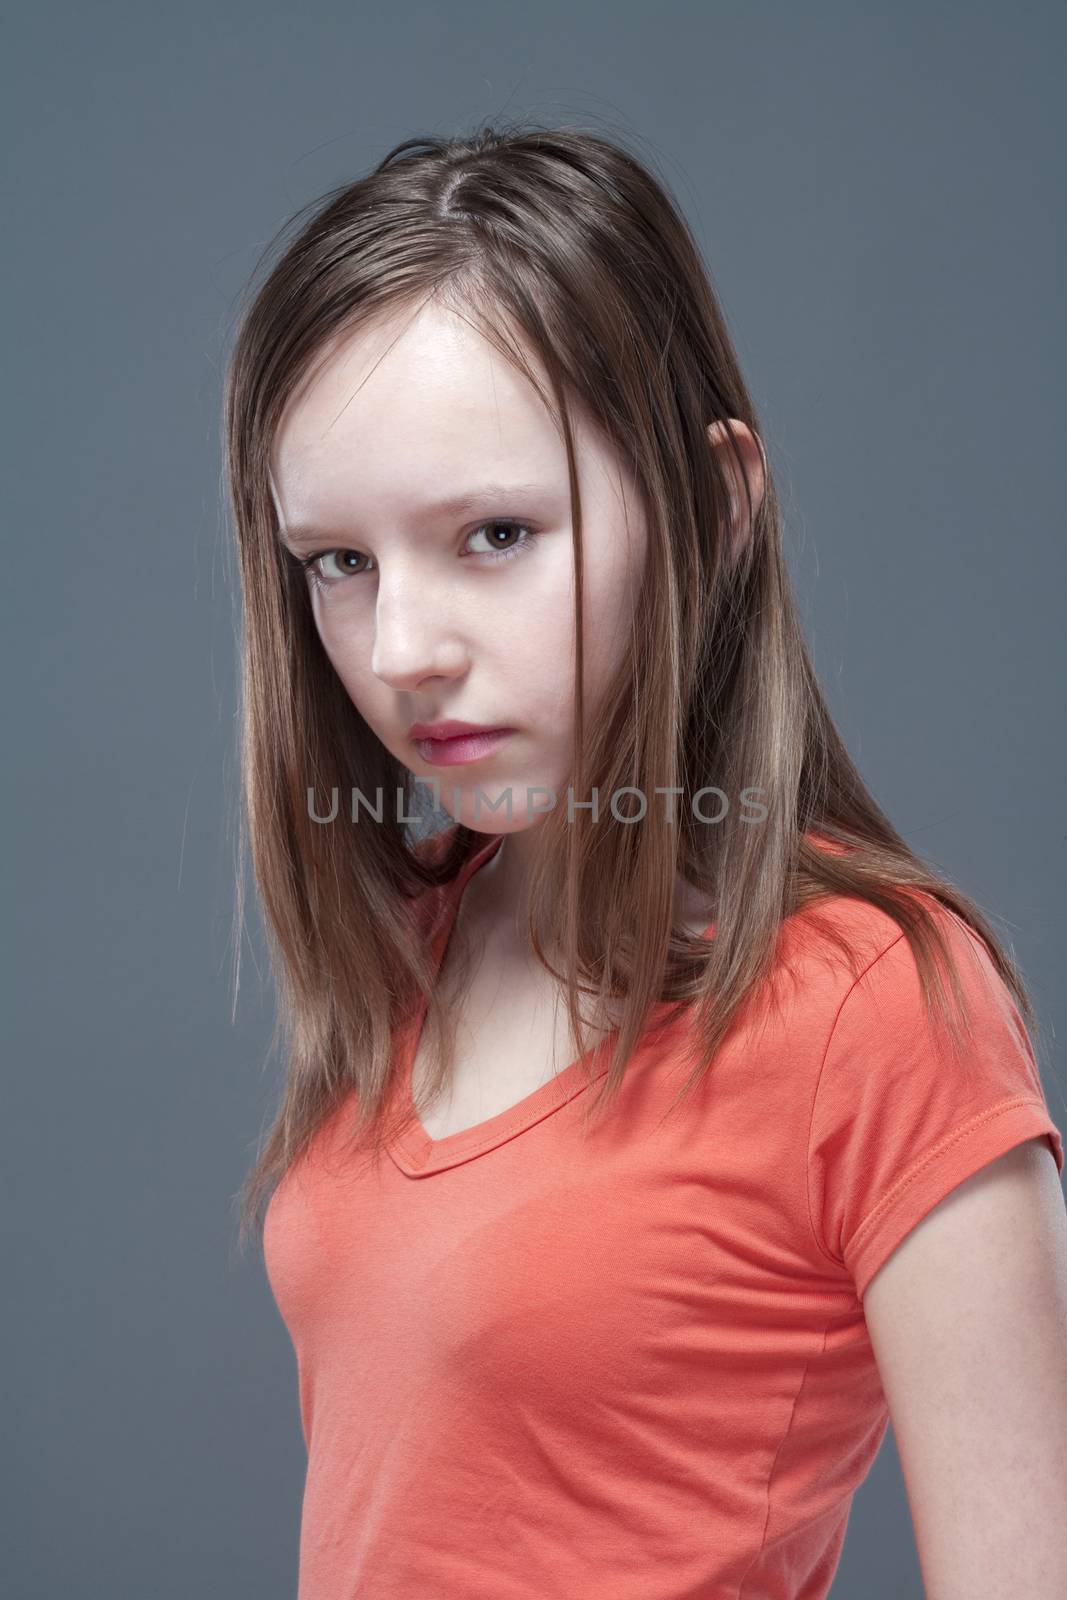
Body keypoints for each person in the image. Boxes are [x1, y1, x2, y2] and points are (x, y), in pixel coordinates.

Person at [224, 122, 1067, 1599]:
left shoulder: (877, 1006)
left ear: (713, 507)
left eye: (494, 532)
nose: (402, 651)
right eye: (339, 564)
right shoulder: (420, 938)